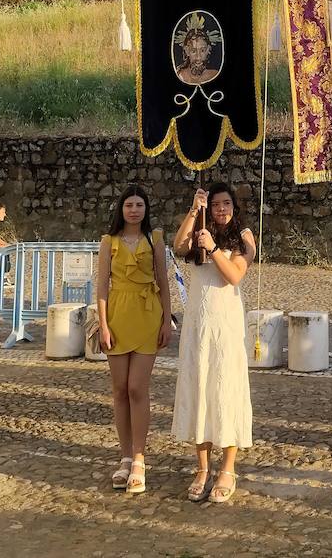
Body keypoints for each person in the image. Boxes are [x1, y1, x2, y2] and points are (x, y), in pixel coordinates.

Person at [172, 183, 256, 504]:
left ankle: (228, 468)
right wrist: (195, 211)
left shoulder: (244, 237)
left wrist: (215, 248)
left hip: (226, 326)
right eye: (216, 204)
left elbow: (234, 275)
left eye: (226, 204)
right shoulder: (201, 230)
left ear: (234, 207)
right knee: (200, 388)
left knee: (225, 390)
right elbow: (179, 245)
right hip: (198, 323)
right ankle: (203, 468)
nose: (221, 209)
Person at [97, 184, 172, 495]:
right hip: (117, 314)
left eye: (139, 204)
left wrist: (167, 319)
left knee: (137, 387)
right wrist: (102, 325)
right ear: (121, 209)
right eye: (129, 204)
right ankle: (125, 456)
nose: (134, 210)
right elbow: (101, 285)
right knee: (119, 390)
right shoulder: (108, 242)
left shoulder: (154, 239)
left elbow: (164, 282)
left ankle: (140, 459)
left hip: (146, 314)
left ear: (145, 209)